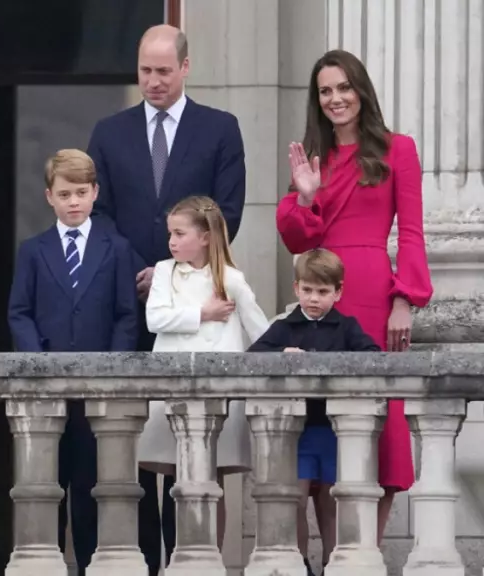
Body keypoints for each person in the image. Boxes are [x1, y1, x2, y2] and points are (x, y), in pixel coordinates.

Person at [86, 24, 246, 572]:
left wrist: (174, 270)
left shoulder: (219, 128)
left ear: (185, 68)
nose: (152, 81)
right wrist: (143, 270)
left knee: (190, 446)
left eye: (163, 71)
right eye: (144, 71)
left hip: (198, 311)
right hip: (129, 304)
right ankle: (142, 562)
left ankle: (188, 559)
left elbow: (227, 212)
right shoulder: (110, 132)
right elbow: (98, 214)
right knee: (135, 446)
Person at [278, 49, 433, 544]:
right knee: (323, 421)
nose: (336, 98)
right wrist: (306, 195)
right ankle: (332, 554)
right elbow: (296, 240)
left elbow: (412, 233)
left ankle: (364, 552)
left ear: (361, 91)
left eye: (344, 87)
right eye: (326, 91)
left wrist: (404, 299)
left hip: (371, 291)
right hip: (322, 293)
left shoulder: (397, 149)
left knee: (379, 424)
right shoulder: (313, 158)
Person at [7, 149, 138, 573]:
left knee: (90, 488)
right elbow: (19, 312)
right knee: (45, 488)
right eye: (64, 194)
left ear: (95, 192)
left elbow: (126, 315)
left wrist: (111, 371)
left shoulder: (117, 249)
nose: (74, 202)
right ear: (49, 196)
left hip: (97, 393)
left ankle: (88, 566)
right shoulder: (33, 250)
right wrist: (39, 365)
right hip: (47, 392)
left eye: (81, 192)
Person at [139, 196, 267, 561]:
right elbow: (155, 319)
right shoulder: (164, 272)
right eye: (170, 234)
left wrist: (287, 348)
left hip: (218, 393)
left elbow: (259, 330)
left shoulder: (231, 279)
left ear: (206, 236)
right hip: (171, 386)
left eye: (180, 234)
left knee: (212, 480)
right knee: (175, 477)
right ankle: (178, 557)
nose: (172, 241)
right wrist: (202, 313)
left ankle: (211, 560)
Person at [248, 248, 381, 576]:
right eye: (307, 290)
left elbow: (372, 355)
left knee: (332, 500)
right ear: (296, 288)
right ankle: (300, 564)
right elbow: (253, 355)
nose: (313, 298)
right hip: (299, 430)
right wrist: (282, 353)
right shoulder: (285, 326)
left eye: (322, 291)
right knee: (294, 497)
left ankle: (332, 564)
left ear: (338, 292)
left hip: (335, 429)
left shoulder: (346, 327)